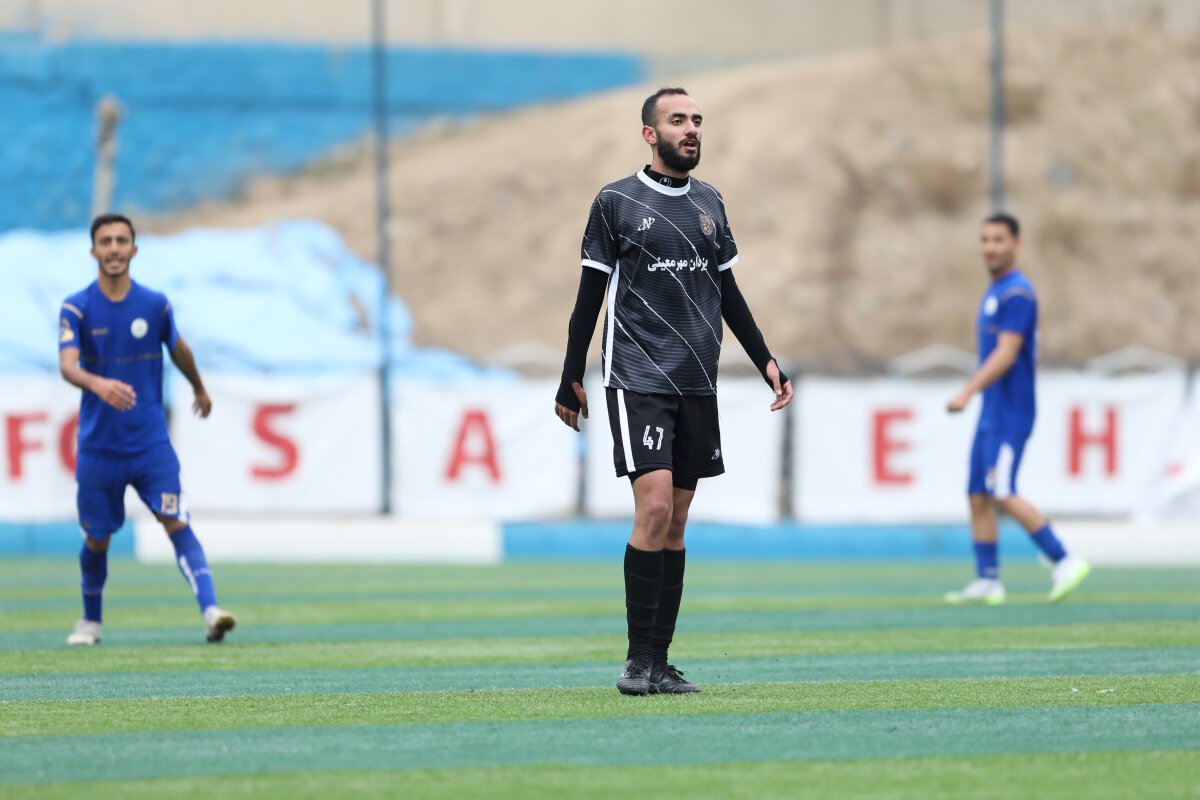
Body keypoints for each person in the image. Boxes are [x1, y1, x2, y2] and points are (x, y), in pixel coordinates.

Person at [554, 87, 793, 695]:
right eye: (678, 120)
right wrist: (571, 374)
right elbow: (590, 296)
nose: (691, 129)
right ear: (649, 133)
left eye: (697, 120)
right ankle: (636, 662)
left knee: (679, 520)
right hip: (638, 377)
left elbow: (728, 293)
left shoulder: (710, 202)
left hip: (697, 381)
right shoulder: (615, 201)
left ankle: (660, 661)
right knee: (655, 507)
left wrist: (765, 359)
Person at [59, 213, 236, 645]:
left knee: (176, 521)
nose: (114, 248)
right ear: (93, 251)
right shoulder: (76, 307)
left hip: (150, 446)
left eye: (121, 241)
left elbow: (179, 347)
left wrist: (199, 387)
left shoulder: (154, 304)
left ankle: (211, 611)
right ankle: (91, 622)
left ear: (134, 250)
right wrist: (99, 384)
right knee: (97, 539)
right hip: (99, 449)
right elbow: (67, 365)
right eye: (106, 241)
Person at [945, 212, 1090, 605]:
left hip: (1011, 411)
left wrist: (968, 391)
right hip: (992, 411)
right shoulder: (996, 291)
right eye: (985, 239)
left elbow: (1007, 353)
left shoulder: (1017, 294)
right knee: (978, 494)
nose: (990, 247)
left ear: (1016, 244)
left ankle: (1065, 559)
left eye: (998, 239)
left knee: (1003, 492)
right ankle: (988, 580)